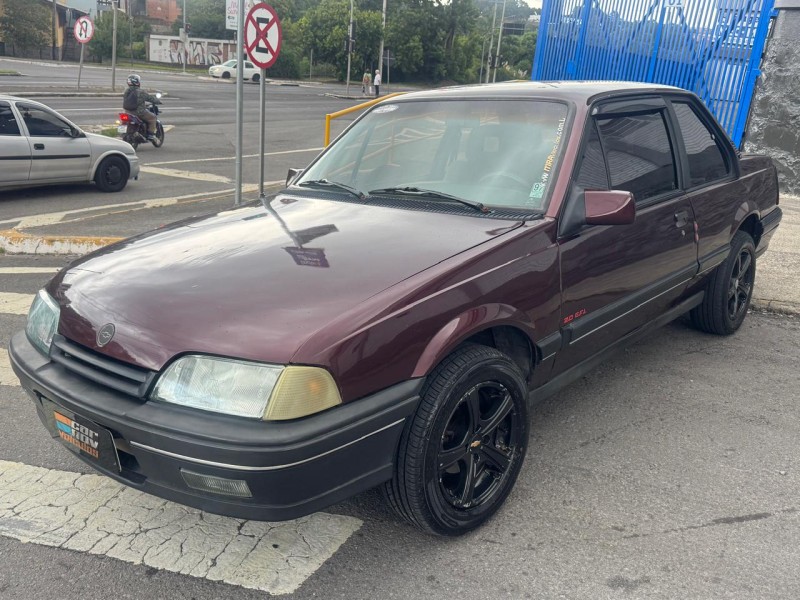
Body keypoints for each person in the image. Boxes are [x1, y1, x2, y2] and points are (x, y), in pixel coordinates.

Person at [122, 74, 160, 141]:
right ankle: (150, 134)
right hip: (139, 112)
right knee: (153, 117)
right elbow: (150, 98)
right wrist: (158, 101)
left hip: (127, 112)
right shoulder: (141, 92)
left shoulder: (126, 91)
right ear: (137, 82)